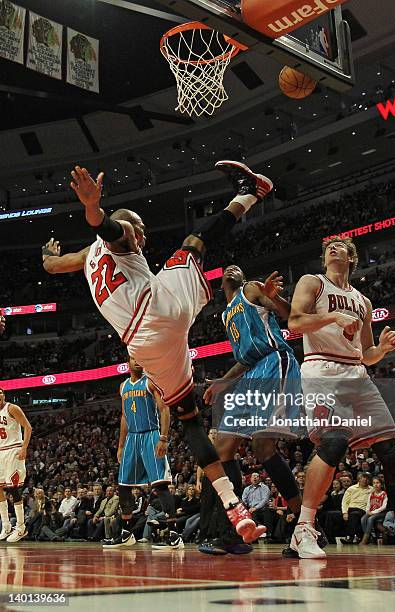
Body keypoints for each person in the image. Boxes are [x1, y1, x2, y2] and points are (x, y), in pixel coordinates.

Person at [42, 161, 273, 543]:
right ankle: (252, 191)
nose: (143, 234)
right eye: (141, 227)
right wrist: (93, 209)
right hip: (157, 310)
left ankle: (234, 507)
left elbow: (54, 266)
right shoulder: (124, 237)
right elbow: (110, 228)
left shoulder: (88, 256)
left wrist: (47, 254)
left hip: (144, 346)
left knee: (190, 419)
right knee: (193, 245)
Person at [288, 236, 395, 558]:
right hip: (321, 369)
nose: (332, 248)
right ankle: (303, 528)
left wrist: (382, 350)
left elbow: (366, 353)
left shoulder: (363, 301)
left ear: (352, 257)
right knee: (334, 443)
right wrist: (332, 317)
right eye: (328, 247)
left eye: (340, 246)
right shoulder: (312, 282)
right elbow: (295, 322)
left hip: (357, 373)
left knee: (391, 451)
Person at [202, 264, 305, 554]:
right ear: (221, 284)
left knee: (262, 447)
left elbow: (288, 316)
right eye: (228, 268)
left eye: (238, 267)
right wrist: (223, 381)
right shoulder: (226, 313)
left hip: (274, 362)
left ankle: (306, 523)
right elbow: (244, 359)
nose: (233, 268)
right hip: (250, 374)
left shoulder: (251, 289)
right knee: (222, 448)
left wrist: (273, 297)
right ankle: (234, 531)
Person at [104, 356, 173, 549]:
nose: (138, 362)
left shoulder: (151, 382)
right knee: (123, 486)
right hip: (132, 438)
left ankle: (173, 534)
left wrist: (163, 438)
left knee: (160, 484)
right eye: (134, 358)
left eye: (141, 359)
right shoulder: (123, 386)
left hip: (151, 434)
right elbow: (125, 417)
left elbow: (164, 409)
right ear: (127, 363)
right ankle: (127, 533)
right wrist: (120, 445)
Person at [0, 389, 32, 543]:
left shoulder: (11, 408)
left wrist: (24, 447)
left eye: (0, 393)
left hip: (13, 450)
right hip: (0, 451)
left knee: (13, 488)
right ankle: (6, 526)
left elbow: (28, 427)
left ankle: (21, 526)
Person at [360, 476, 388, 545]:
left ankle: (365, 539)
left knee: (370, 519)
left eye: (378, 483)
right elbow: (368, 505)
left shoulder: (384, 494)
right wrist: (367, 511)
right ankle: (369, 536)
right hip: (371, 512)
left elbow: (383, 507)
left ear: (381, 484)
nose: (376, 484)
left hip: (381, 513)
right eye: (374, 483)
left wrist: (373, 512)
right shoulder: (371, 494)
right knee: (363, 519)